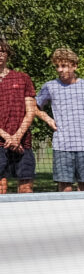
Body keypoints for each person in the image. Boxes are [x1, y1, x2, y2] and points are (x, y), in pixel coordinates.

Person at [33, 48, 84, 192]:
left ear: (75, 65)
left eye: (64, 65)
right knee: (64, 187)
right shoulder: (50, 86)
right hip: (62, 145)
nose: (60, 70)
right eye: (57, 66)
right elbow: (34, 107)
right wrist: (48, 119)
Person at [0, 38, 36, 194]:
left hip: (23, 142)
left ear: (8, 54)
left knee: (26, 188)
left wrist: (18, 136)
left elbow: (31, 111)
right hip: (1, 143)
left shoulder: (22, 78)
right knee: (1, 188)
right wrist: (8, 137)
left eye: (2, 51)